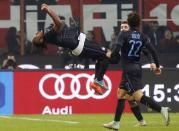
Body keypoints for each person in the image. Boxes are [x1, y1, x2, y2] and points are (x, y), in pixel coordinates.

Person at [103, 12, 170, 130]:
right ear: (139, 23)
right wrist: (157, 66)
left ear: (128, 23)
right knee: (121, 94)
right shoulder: (143, 36)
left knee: (138, 96)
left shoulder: (123, 34)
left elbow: (116, 50)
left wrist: (109, 54)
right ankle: (116, 123)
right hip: (136, 68)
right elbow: (153, 51)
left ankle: (161, 109)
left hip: (129, 70)